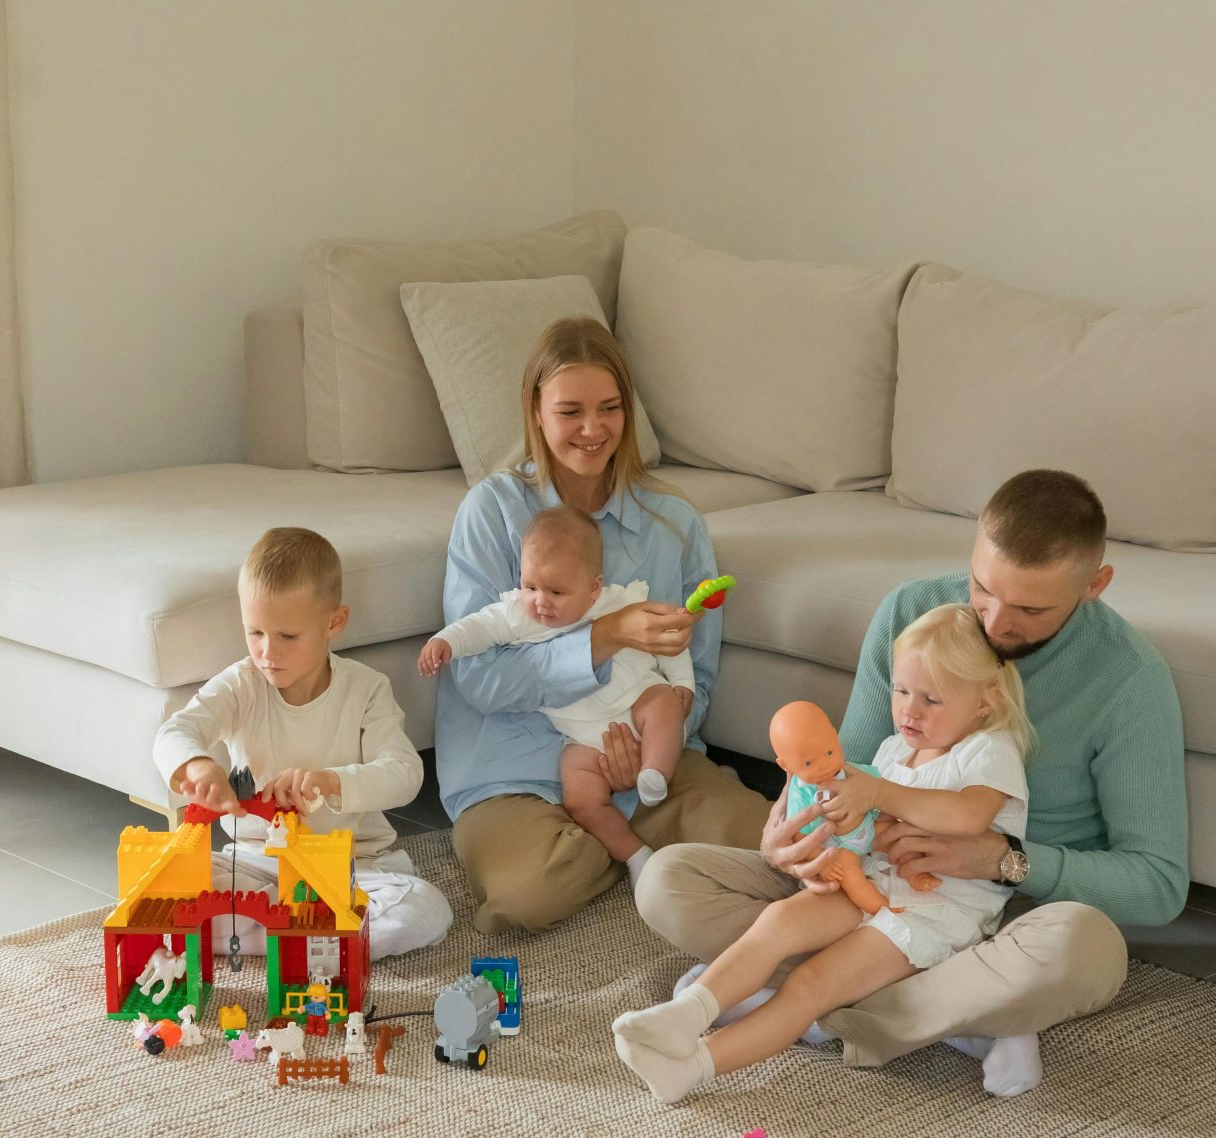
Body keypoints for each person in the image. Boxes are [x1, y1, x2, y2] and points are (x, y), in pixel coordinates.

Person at [635, 469, 1188, 1097]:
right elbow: (845, 771)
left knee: (1083, 950)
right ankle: (952, 1018)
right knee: (668, 882)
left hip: (999, 915)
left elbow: (1158, 885)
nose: (994, 623)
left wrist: (1004, 860)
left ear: (1095, 585)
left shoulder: (1129, 680)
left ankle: (805, 1002)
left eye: (1030, 609)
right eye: (982, 588)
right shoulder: (911, 613)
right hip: (872, 885)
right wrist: (787, 840)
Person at [613, 604, 1033, 1103]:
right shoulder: (894, 751)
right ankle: (684, 1017)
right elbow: (878, 829)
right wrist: (832, 827)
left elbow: (968, 816)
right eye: (901, 691)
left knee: (811, 984)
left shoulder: (989, 749)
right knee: (778, 922)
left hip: (936, 912)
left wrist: (878, 795)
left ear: (986, 701)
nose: (910, 711)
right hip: (871, 883)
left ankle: (696, 1066)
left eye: (932, 699)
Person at [436, 317, 770, 932]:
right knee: (525, 895)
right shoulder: (491, 511)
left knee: (769, 845)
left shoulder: (673, 524)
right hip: (517, 769)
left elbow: (697, 675)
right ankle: (627, 845)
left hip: (647, 765)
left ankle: (632, 834)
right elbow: (477, 680)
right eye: (571, 411)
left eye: (610, 408)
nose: (593, 430)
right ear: (535, 412)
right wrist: (606, 635)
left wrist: (649, 750)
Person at [153, 526, 453, 960]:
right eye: (255, 632)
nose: (267, 652)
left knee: (425, 910)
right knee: (166, 885)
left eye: (287, 636)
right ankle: (308, 940)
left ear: (334, 622)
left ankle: (270, 937)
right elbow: (174, 732)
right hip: (256, 864)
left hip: (353, 868)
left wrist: (330, 782)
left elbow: (405, 773)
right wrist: (197, 765)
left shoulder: (366, 688)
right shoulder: (241, 684)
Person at [420, 505, 691, 883]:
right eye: (530, 586)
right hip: (583, 735)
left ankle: (655, 773)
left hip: (636, 701)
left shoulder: (620, 602)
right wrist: (446, 641)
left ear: (593, 587)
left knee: (665, 705)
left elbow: (670, 641)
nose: (540, 601)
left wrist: (683, 684)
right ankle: (635, 856)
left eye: (556, 592)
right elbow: (478, 627)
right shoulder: (521, 614)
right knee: (581, 798)